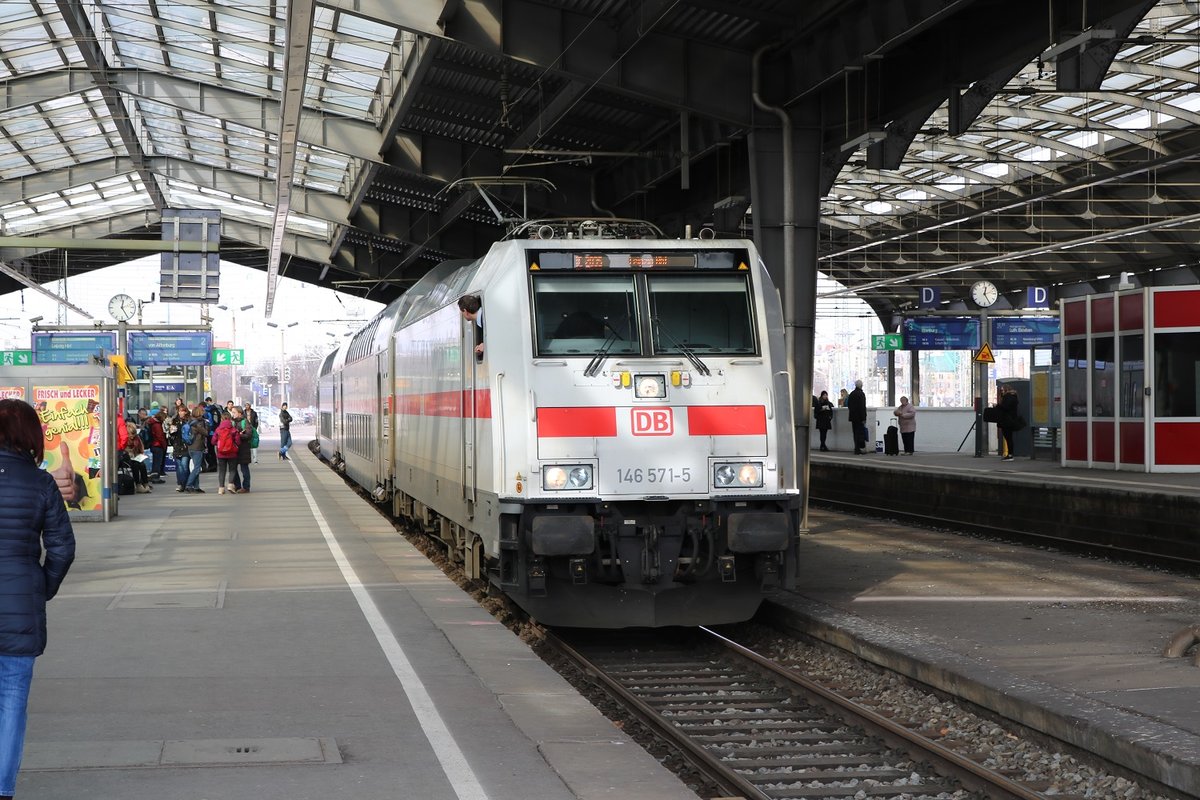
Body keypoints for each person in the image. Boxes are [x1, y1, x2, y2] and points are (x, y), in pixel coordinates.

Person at [0, 399, 75, 799]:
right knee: (12, 702)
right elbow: (62, 547)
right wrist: (41, 587)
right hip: (20, 608)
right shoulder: (40, 483)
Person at [186, 406, 209, 493]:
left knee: (196, 466)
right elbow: (206, 432)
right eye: (202, 411)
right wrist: (206, 425)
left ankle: (196, 486)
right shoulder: (198, 423)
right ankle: (189, 485)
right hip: (197, 447)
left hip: (191, 446)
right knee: (197, 468)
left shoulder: (190, 421)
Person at [997, 385, 1021, 461]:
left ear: (1006, 390)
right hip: (1011, 420)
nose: (1001, 392)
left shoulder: (1007, 397)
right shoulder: (1013, 396)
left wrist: (998, 406)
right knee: (1009, 438)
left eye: (1002, 390)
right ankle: (1010, 454)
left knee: (1008, 438)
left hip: (1006, 420)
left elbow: (1005, 407)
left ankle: (1010, 455)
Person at [847, 379, 868, 455]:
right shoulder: (861, 394)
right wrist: (864, 418)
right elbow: (862, 407)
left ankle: (856, 448)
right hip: (859, 417)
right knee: (860, 433)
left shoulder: (851, 394)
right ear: (861, 386)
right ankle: (858, 449)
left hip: (853, 417)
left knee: (855, 433)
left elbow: (849, 405)